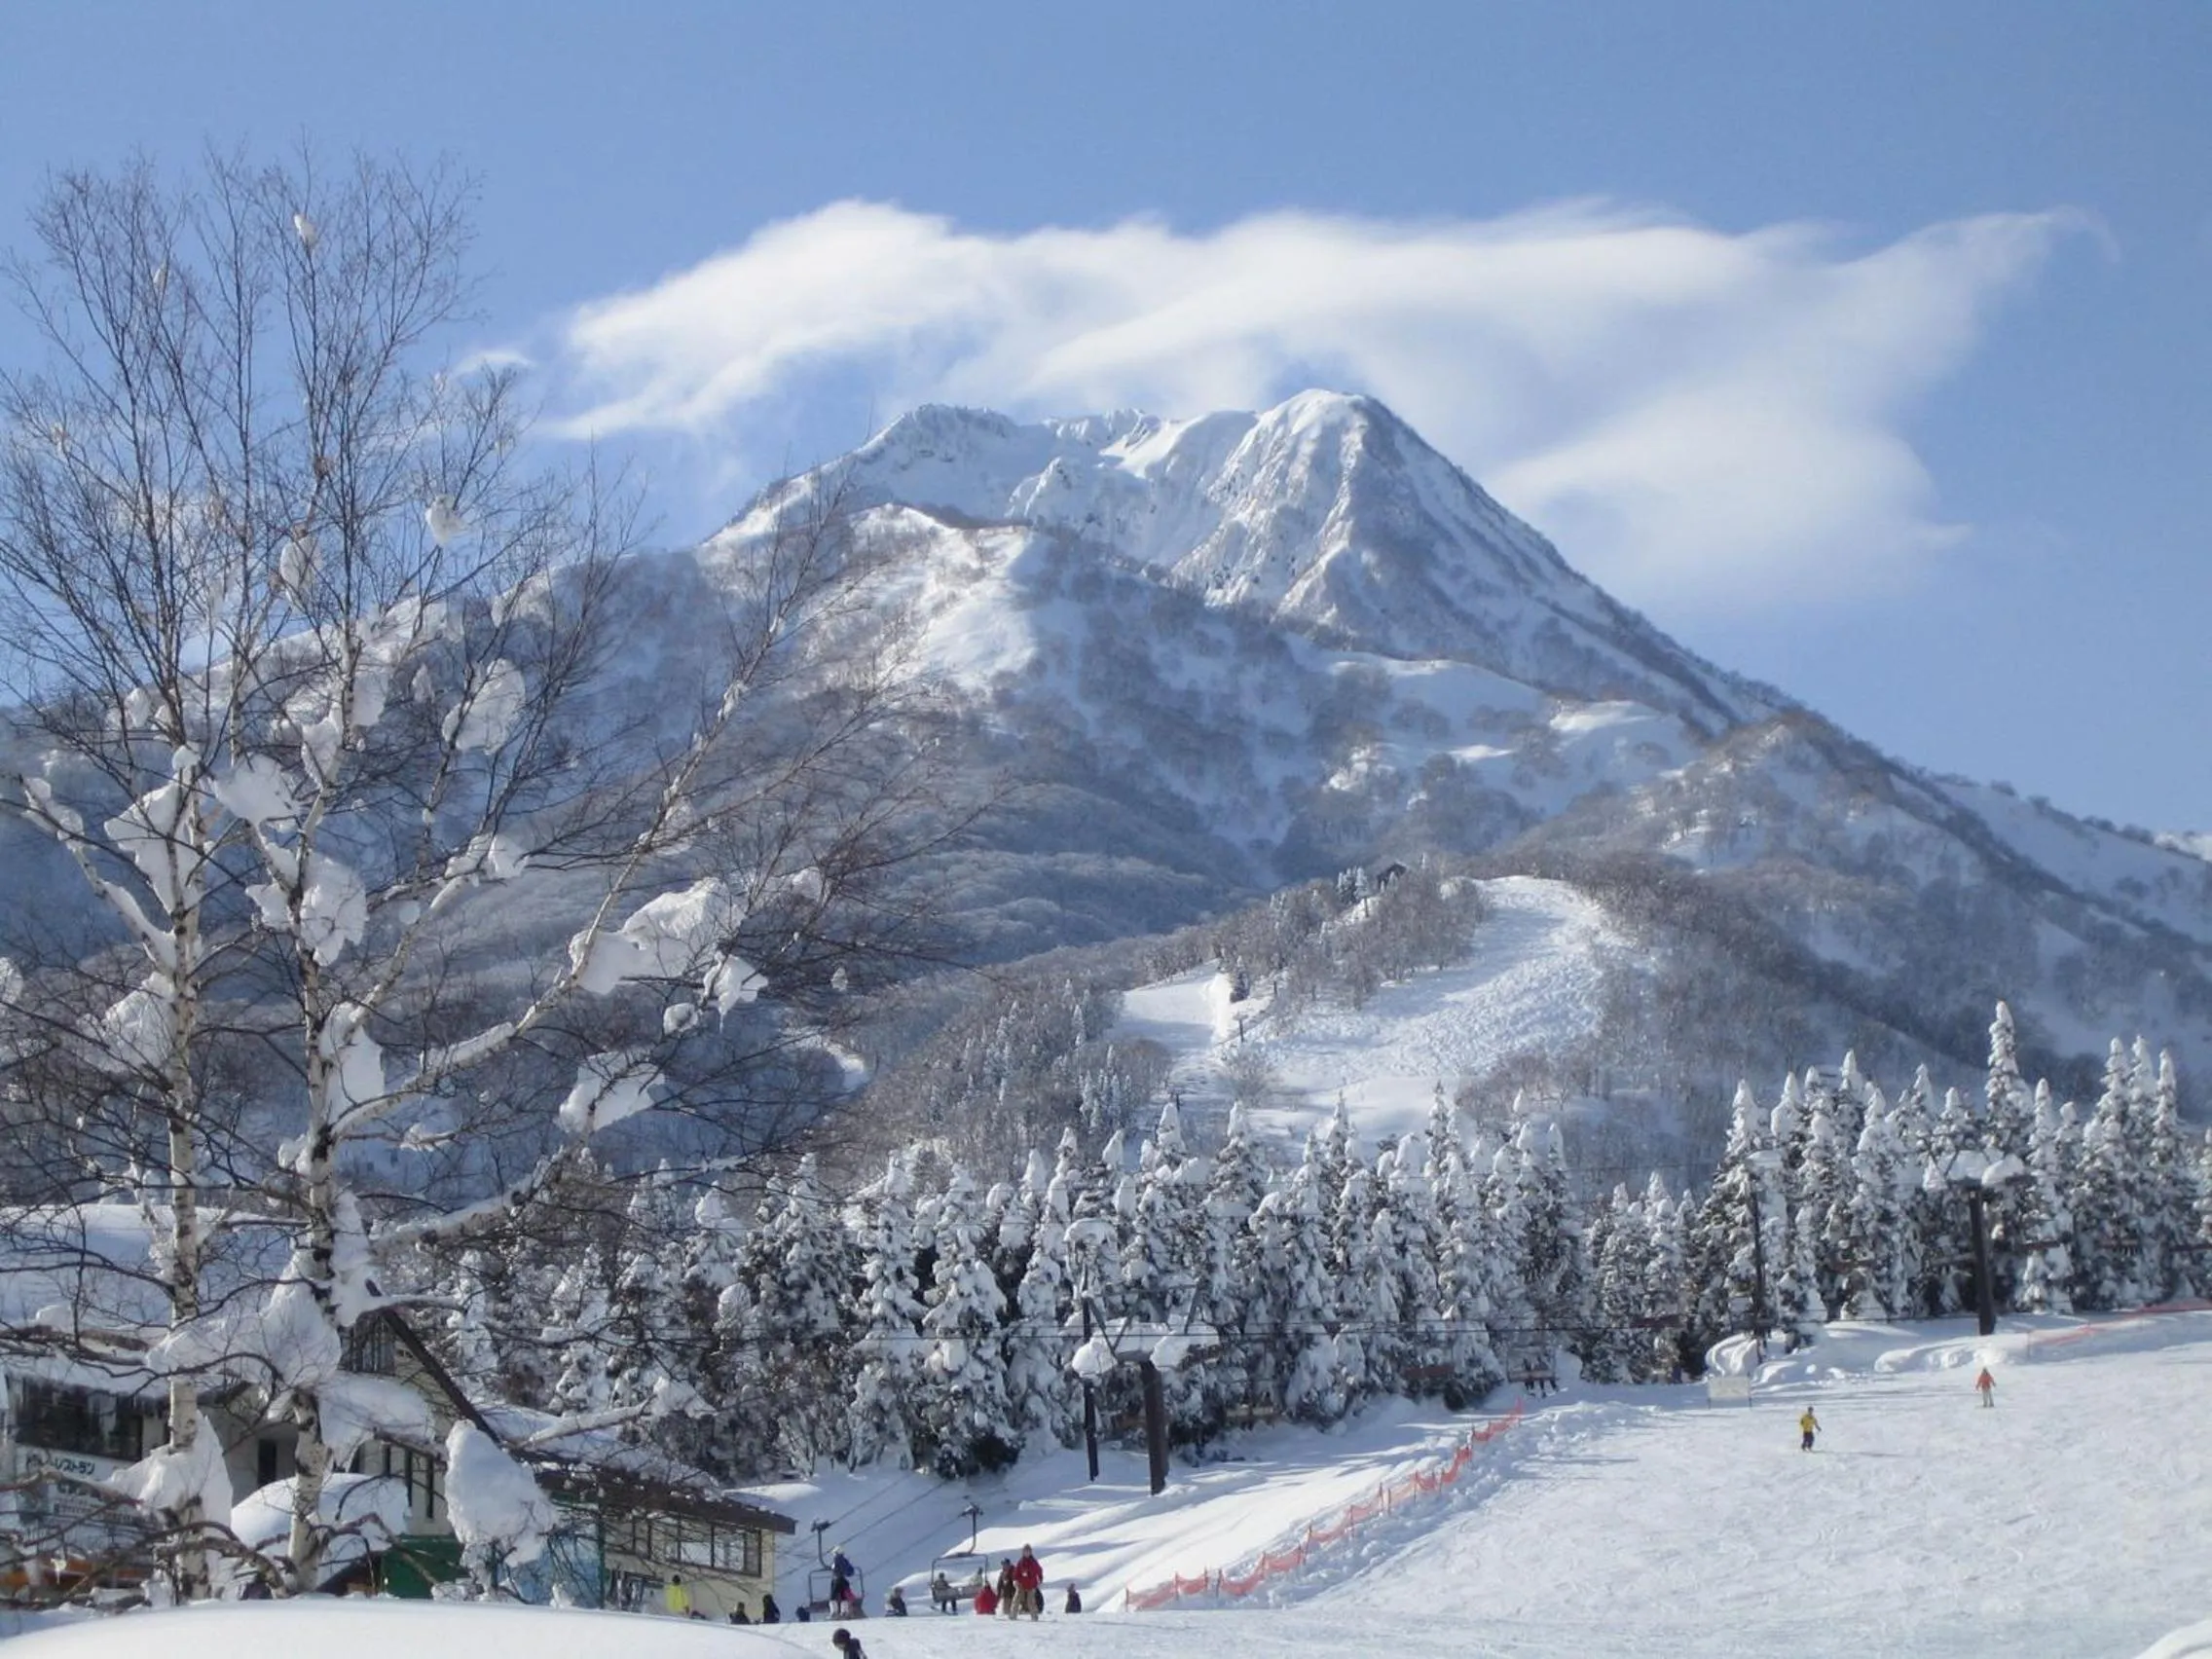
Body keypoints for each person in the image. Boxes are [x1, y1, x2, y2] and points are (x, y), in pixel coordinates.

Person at [1012, 1543, 1045, 1619]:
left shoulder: (1034, 1562)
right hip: (1021, 1584)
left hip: (1031, 1584)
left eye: (1028, 1551)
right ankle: (1013, 1616)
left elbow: (1039, 1571)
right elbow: (1016, 1572)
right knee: (1016, 1599)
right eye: (1025, 1551)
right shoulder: (1020, 1562)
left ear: (1030, 1552)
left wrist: (1040, 1579)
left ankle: (1034, 1617)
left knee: (1031, 1601)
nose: (1026, 1553)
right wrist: (1015, 1580)